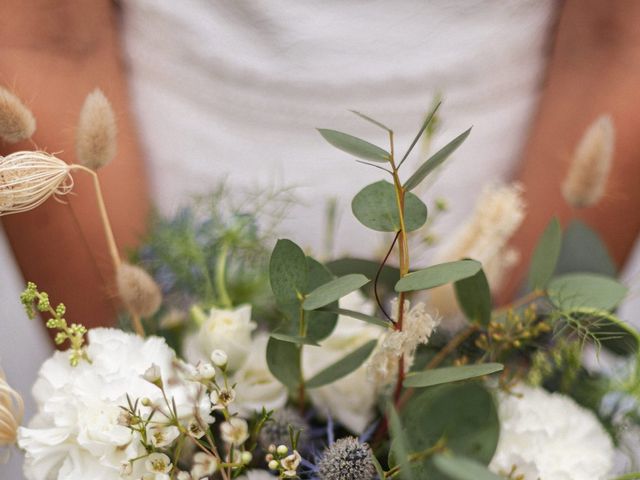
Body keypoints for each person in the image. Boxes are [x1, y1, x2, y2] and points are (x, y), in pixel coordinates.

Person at [1, 3, 640, 473]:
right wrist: (155, 416)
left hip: (492, 309)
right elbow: (44, 37)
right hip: (159, 304)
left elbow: (616, 39)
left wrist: (491, 378)